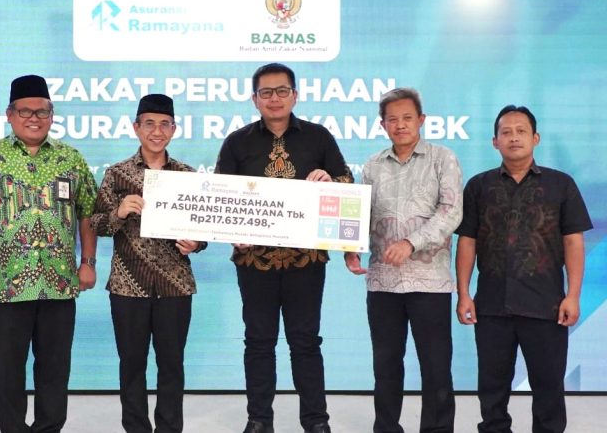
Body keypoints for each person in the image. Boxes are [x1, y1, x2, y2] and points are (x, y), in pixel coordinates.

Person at [0, 75, 98, 432]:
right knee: (7, 371)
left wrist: (88, 262)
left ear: (52, 115)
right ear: (9, 114)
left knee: (55, 370)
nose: (34, 118)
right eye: (25, 111)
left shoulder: (71, 159)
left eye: (42, 111)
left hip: (59, 284)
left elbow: (88, 214)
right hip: (5, 286)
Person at [215, 63, 352, 433]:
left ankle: (316, 421)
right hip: (254, 261)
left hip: (306, 260)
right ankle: (259, 419)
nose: (274, 99)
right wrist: (230, 230)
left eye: (281, 91)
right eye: (266, 92)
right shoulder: (237, 142)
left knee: (305, 342)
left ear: (295, 95)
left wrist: (330, 180)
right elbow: (219, 198)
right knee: (258, 342)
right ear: (254, 99)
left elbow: (347, 183)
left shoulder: (319, 137)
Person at [455, 105, 592, 433]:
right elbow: (467, 242)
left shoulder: (561, 184)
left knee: (548, 387)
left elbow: (573, 242)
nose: (513, 137)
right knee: (492, 388)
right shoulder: (478, 186)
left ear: (535, 138)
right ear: (495, 141)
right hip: (491, 306)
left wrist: (573, 296)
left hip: (545, 305)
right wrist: (463, 294)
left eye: (521, 131)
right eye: (506, 132)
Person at [345, 87, 462, 433]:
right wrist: (350, 247)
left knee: (436, 367)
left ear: (421, 120)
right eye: (392, 119)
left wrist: (411, 243)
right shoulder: (372, 165)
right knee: (385, 367)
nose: (400, 125)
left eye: (407, 118)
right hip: (383, 282)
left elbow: (451, 212)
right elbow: (363, 216)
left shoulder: (442, 158)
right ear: (382, 124)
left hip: (429, 282)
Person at [91, 94, 206, 433]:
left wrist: (197, 243)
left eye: (165, 124)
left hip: (175, 285)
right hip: (128, 285)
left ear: (174, 129)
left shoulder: (187, 175)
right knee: (131, 366)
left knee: (172, 366)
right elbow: (97, 224)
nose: (157, 131)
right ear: (136, 127)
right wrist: (119, 211)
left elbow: (204, 229)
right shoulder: (117, 175)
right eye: (150, 124)